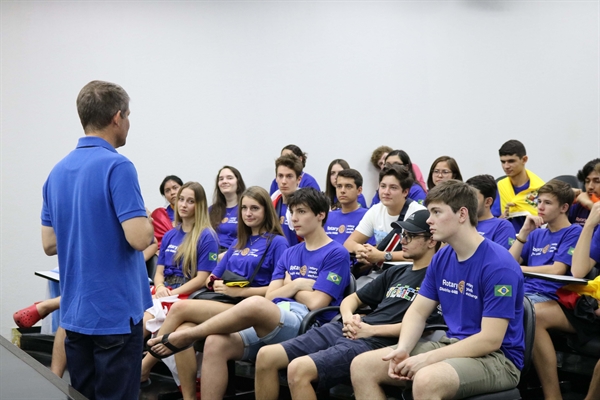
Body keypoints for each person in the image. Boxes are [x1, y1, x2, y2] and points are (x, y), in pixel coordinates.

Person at [146, 188, 351, 400]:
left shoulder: (336, 253)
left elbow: (317, 302)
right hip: (273, 315)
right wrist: (298, 286)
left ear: (320, 215)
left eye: (302, 212)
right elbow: (272, 295)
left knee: (255, 303)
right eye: (292, 211)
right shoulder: (291, 252)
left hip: (306, 324)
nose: (295, 218)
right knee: (215, 342)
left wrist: (291, 285)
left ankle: (189, 336)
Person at [350, 180, 524, 400]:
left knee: (426, 379)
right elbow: (418, 312)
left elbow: (490, 339)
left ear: (462, 214)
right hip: (451, 344)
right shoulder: (442, 257)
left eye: (436, 212)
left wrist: (428, 359)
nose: (429, 221)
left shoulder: (499, 265)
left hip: (498, 358)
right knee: (362, 365)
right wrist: (403, 348)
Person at [40, 80, 154, 399]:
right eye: (128, 116)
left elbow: (49, 243)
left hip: (76, 314)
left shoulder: (57, 172)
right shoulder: (118, 166)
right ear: (117, 117)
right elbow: (138, 238)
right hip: (115, 315)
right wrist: (143, 216)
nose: (128, 123)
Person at [254, 209, 442, 400]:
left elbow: (423, 328)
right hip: (349, 328)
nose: (403, 240)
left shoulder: (438, 279)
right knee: (266, 356)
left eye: (411, 236)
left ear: (431, 241)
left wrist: (370, 330)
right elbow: (352, 299)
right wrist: (348, 318)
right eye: (403, 235)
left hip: (377, 342)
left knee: (298, 370)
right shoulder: (396, 272)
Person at [140, 186, 289, 397]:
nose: (248, 213)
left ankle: (145, 367)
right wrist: (216, 283)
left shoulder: (277, 242)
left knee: (180, 307)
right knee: (182, 330)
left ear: (266, 211)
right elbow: (211, 278)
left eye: (254, 208)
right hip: (224, 301)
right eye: (244, 208)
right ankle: (190, 396)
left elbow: (277, 290)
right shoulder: (239, 243)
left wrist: (236, 291)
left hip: (251, 308)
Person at [344, 164, 425, 283]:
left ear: (405, 192)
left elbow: (420, 255)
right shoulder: (375, 210)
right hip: (382, 274)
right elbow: (349, 243)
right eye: (383, 186)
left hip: (411, 275)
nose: (386, 192)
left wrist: (382, 256)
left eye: (393, 187)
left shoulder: (418, 213)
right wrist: (360, 249)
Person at [508, 180, 581, 304]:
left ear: (564, 207)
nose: (540, 207)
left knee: (507, 307)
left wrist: (519, 269)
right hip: (525, 290)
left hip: (549, 294)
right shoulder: (537, 233)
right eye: (539, 202)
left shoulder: (574, 231)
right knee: (484, 299)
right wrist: (524, 232)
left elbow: (557, 270)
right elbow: (508, 262)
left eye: (547, 203)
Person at [495, 140, 545, 233]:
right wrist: (504, 216)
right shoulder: (499, 187)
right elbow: (492, 222)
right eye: (503, 162)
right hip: (505, 239)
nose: (506, 166)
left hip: (533, 240)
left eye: (511, 161)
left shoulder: (541, 188)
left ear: (524, 159)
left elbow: (549, 221)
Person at [324, 169, 373, 246]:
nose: (342, 191)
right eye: (339, 186)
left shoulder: (368, 216)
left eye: (348, 186)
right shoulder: (328, 216)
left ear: (359, 190)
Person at [466, 174, 515, 249]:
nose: (467, 202)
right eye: (466, 197)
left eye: (473, 198)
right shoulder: (460, 223)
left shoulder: (502, 226)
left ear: (488, 202)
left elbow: (500, 259)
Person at [208, 166, 246, 258]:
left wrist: (227, 255)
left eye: (229, 178)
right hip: (211, 254)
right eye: (221, 179)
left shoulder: (245, 209)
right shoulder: (211, 210)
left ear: (238, 182)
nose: (224, 181)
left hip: (234, 255)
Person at [271, 153, 304, 246]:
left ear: (299, 179)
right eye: (280, 176)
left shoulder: (307, 206)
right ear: (276, 178)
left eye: (289, 176)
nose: (284, 181)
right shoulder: (272, 202)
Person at [152, 175, 183, 249]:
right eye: (167, 191)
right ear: (165, 196)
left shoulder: (195, 213)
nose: (172, 192)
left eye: (175, 188)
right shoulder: (159, 216)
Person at [569, 158, 600, 227]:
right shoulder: (579, 204)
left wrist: (590, 204)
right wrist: (565, 198)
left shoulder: (585, 201)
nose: (590, 187)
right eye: (587, 181)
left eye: (597, 181)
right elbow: (553, 230)